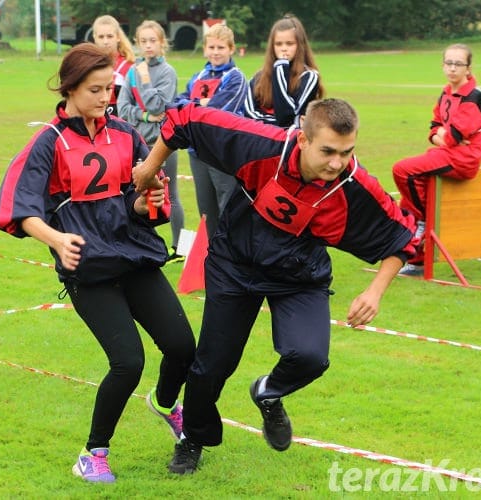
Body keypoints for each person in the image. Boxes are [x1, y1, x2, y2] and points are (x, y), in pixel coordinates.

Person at [133, 98, 418, 474]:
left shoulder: (354, 185)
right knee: (212, 365)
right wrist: (150, 167)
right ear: (302, 140)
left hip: (299, 276)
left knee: (311, 356)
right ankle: (192, 440)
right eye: (328, 151)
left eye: (347, 152)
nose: (337, 163)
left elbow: (403, 238)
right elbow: (185, 118)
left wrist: (374, 291)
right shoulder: (262, 146)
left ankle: (268, 393)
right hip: (234, 265)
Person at [0, 44, 196, 483]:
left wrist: (145, 204)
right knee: (128, 361)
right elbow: (19, 209)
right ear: (69, 88)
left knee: (182, 347)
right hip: (90, 268)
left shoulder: (125, 134)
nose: (106, 97)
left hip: (134, 256)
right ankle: (93, 454)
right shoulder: (49, 142)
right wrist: (57, 238)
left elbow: (140, 201)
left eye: (110, 89)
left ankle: (164, 403)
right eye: (95, 89)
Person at [392, 44, 481, 276]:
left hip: (464, 160)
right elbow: (435, 128)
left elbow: (453, 136)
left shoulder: (474, 96)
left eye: (458, 64)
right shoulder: (445, 92)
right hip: (447, 153)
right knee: (405, 204)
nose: (453, 68)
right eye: (449, 63)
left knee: (402, 170)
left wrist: (446, 136)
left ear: (468, 68)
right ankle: (416, 261)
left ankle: (424, 219)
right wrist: (440, 136)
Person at [118, 20, 185, 262]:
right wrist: (146, 115)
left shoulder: (167, 72)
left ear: (162, 43)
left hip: (163, 142)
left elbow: (161, 106)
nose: (147, 46)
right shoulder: (132, 72)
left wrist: (146, 81)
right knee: (138, 194)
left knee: (170, 193)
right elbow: (124, 108)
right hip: (137, 142)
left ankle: (178, 249)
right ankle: (146, 243)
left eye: (152, 41)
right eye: (143, 41)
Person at [173, 22, 247, 237]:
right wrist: (200, 104)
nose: (215, 52)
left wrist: (193, 106)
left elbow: (219, 114)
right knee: (206, 212)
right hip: (197, 153)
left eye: (221, 47)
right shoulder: (198, 76)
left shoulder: (235, 77)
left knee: (229, 209)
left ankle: (234, 261)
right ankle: (214, 259)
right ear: (205, 49)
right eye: (212, 47)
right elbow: (178, 104)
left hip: (222, 153)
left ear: (231, 49)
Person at [244, 15, 324, 128]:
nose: (284, 48)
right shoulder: (258, 77)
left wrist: (280, 67)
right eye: (278, 44)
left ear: (300, 45)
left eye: (289, 43)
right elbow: (249, 115)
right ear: (272, 46)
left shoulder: (309, 77)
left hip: (291, 142)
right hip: (261, 141)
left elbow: (287, 117)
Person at [92, 15, 135, 116]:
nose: (105, 41)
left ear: (118, 37)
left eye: (110, 36)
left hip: (121, 124)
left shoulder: (129, 66)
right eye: (101, 37)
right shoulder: (88, 65)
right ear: (94, 37)